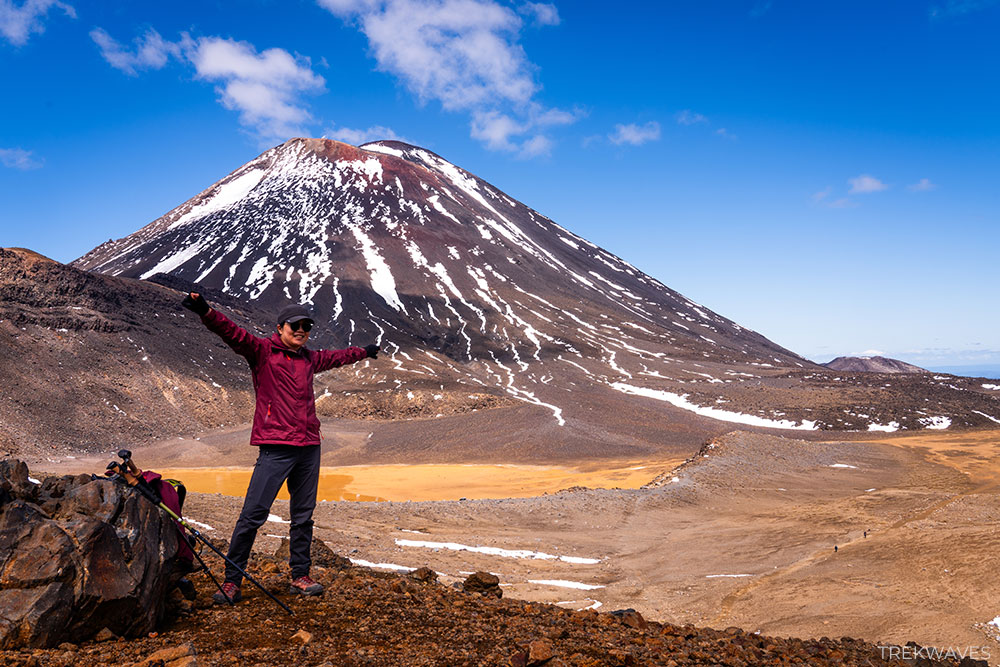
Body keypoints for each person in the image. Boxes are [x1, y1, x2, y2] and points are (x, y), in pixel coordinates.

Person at [182, 292, 379, 603]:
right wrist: (206, 310)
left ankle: (299, 576)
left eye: (307, 326)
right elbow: (231, 332)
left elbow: (338, 356)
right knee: (252, 515)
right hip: (276, 447)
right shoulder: (261, 351)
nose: (301, 330)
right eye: (295, 325)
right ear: (280, 328)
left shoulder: (310, 359)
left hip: (309, 446)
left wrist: (364, 352)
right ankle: (232, 581)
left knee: (303, 516)